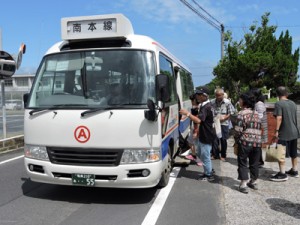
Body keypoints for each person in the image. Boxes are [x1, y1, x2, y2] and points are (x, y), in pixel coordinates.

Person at [179, 86, 215, 181]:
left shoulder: (206, 107)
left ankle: (209, 175)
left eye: (199, 94)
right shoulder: (206, 105)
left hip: (206, 134)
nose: (197, 96)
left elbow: (198, 120)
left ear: (205, 95)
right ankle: (208, 170)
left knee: (205, 155)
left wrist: (187, 114)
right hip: (204, 133)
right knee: (201, 154)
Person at [234, 91, 262, 194]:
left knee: (243, 162)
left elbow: (238, 130)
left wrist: (236, 139)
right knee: (254, 163)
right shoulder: (256, 114)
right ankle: (253, 181)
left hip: (245, 142)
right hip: (257, 143)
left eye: (240, 100)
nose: (239, 101)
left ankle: (243, 184)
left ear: (244, 101)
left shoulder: (242, 113)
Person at [270, 86, 299, 181]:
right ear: (286, 94)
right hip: (294, 131)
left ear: (277, 94)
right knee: (294, 153)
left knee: (280, 152)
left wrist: (277, 131)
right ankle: (294, 171)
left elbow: (279, 118)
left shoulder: (279, 104)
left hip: (284, 132)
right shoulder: (293, 103)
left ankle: (282, 174)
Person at [211, 88, 236, 161]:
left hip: (224, 123)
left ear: (222, 95)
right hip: (215, 123)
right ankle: (215, 154)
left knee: (223, 139)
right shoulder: (212, 102)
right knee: (215, 139)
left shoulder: (227, 102)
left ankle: (223, 155)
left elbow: (231, 112)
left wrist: (225, 118)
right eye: (217, 95)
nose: (218, 97)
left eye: (220, 95)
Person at [184, 93, 203, 166]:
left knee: (196, 144)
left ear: (195, 100)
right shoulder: (200, 106)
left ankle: (199, 159)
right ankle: (194, 155)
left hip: (197, 128)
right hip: (197, 128)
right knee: (191, 142)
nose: (191, 102)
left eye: (192, 100)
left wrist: (195, 131)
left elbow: (196, 121)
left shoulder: (196, 109)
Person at [251, 88, 268, 168]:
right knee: (257, 145)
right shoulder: (258, 103)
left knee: (257, 145)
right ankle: (259, 161)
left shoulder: (259, 104)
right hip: (259, 127)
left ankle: (259, 162)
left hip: (259, 128)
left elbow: (260, 117)